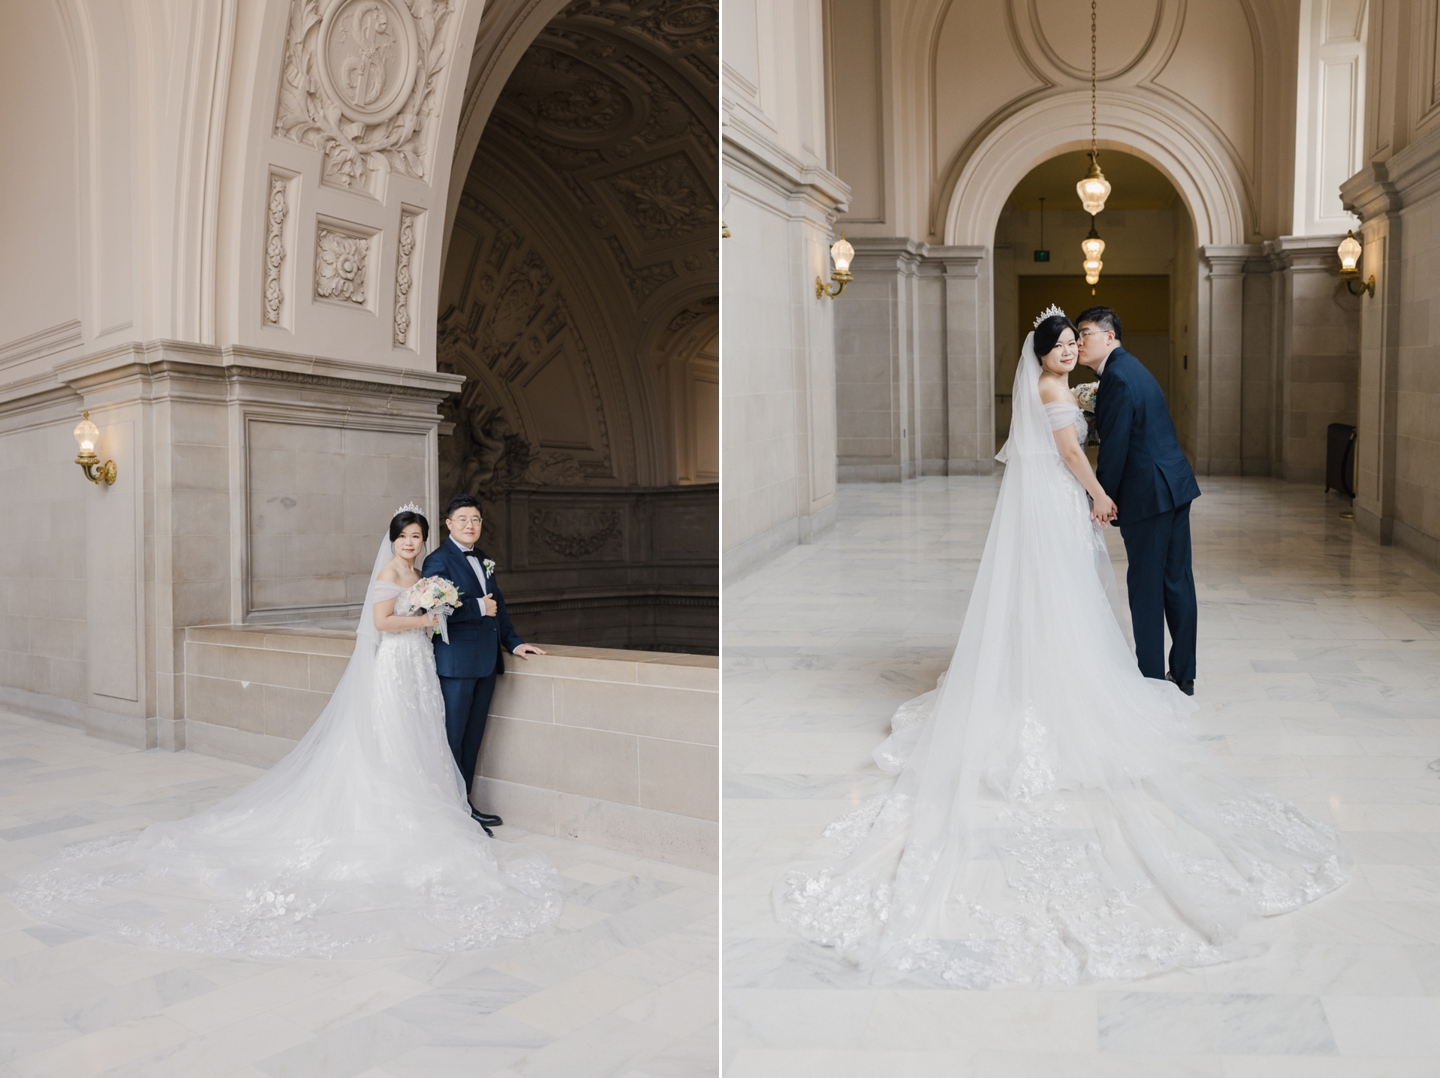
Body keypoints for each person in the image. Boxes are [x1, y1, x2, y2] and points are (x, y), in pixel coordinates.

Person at [773, 307, 1347, 988]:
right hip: (1059, 497)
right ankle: (1066, 684)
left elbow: (1073, 439)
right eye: (1062, 343)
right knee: (1065, 597)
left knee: (1067, 598)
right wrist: (1100, 495)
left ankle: (1071, 673)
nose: (1071, 350)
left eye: (1077, 341)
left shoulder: (1070, 386)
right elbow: (1073, 452)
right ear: (1042, 353)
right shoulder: (1050, 391)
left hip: (1052, 499)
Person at [13, 505, 560, 958]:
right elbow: (382, 623)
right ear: (407, 537)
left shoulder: (427, 574)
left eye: (415, 537)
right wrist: (431, 617)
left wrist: (486, 629)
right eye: (407, 536)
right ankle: (415, 810)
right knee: (396, 738)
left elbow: (475, 607)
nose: (412, 543)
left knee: (422, 738)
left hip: (418, 665)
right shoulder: (397, 572)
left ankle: (443, 802)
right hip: (400, 661)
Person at [1076, 306, 1202, 695]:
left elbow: (1115, 448)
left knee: (1146, 586)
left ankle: (1149, 677)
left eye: (1085, 334)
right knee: (1177, 581)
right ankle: (1183, 675)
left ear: (1109, 336)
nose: (1079, 343)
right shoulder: (1130, 368)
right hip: (1174, 486)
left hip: (1148, 494)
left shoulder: (1116, 377)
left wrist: (1100, 497)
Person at [422, 495, 545, 834]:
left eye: (475, 519)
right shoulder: (438, 561)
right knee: (452, 739)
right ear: (448, 524)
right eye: (462, 519)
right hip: (456, 664)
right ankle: (447, 811)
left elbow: (498, 606)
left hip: (486, 663)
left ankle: (465, 805)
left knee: (473, 739)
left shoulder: (485, 558)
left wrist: (515, 642)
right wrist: (476, 608)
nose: (469, 525)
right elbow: (433, 612)